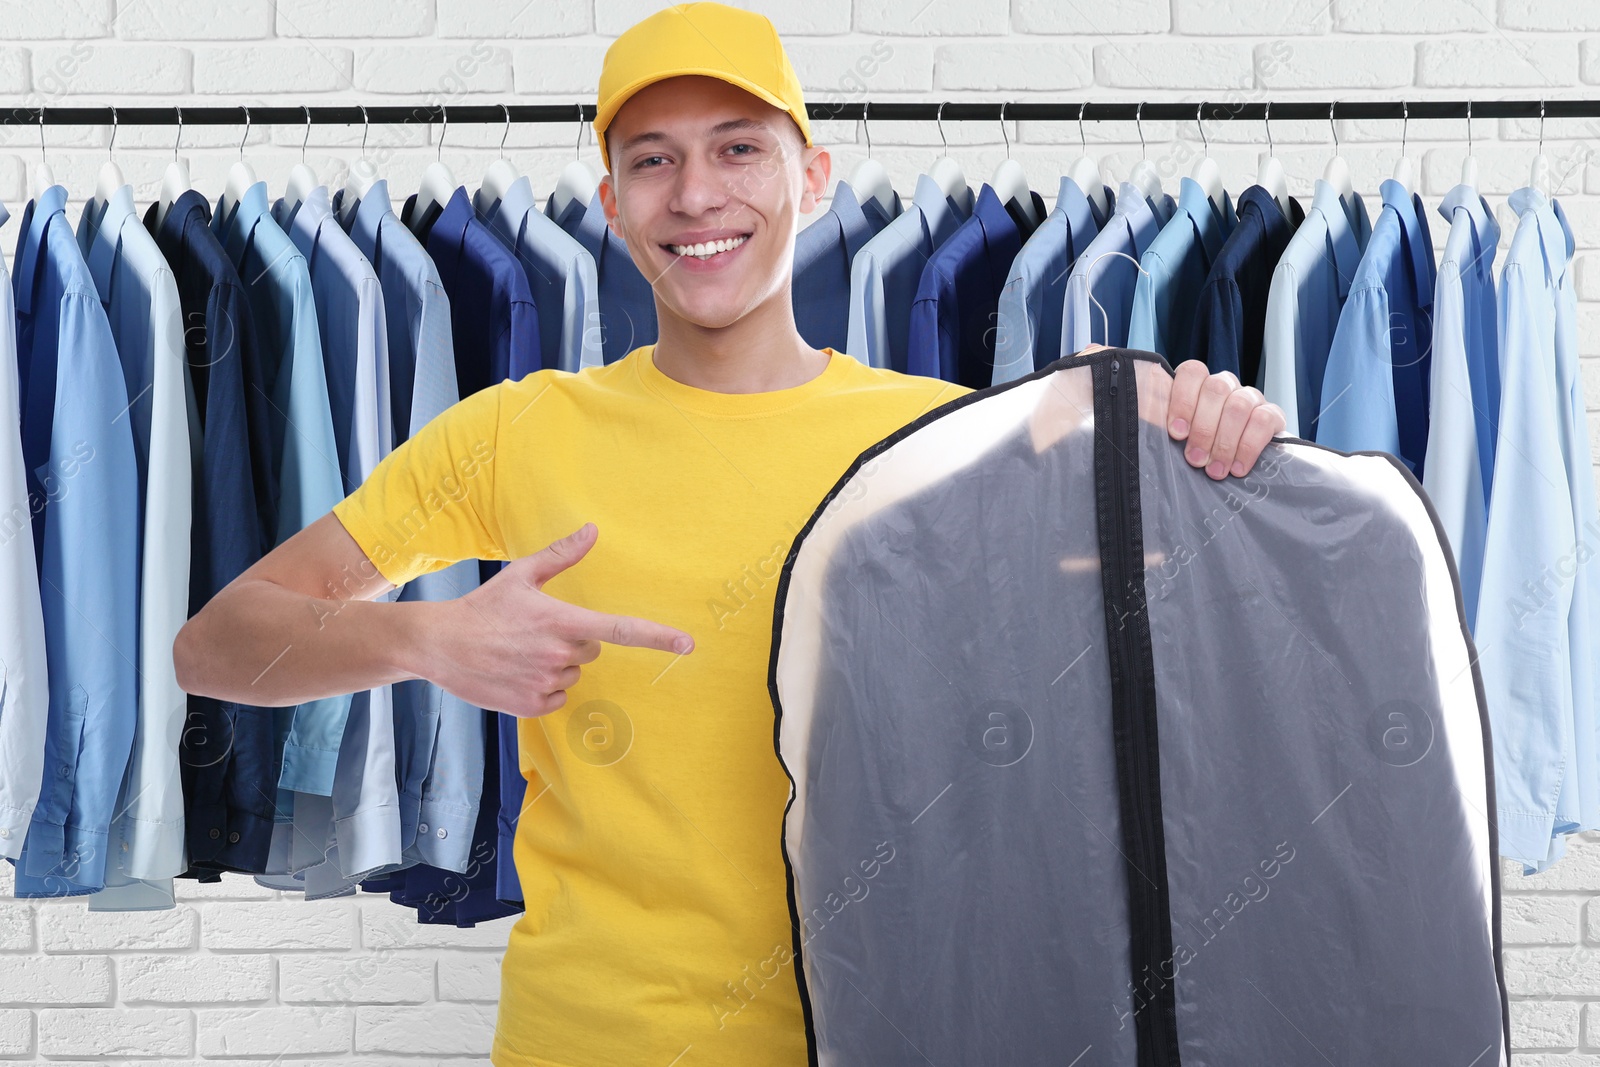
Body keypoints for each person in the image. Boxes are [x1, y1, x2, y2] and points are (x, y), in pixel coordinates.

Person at [174, 5, 1287, 1064]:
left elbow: (1155, 669)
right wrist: (429, 640)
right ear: (611, 203)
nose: (695, 195)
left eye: (738, 149)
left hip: (895, 1030)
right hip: (595, 1039)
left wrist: (1213, 427)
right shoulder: (518, 431)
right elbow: (218, 643)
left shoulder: (945, 438)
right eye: (652, 159)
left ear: (811, 180)